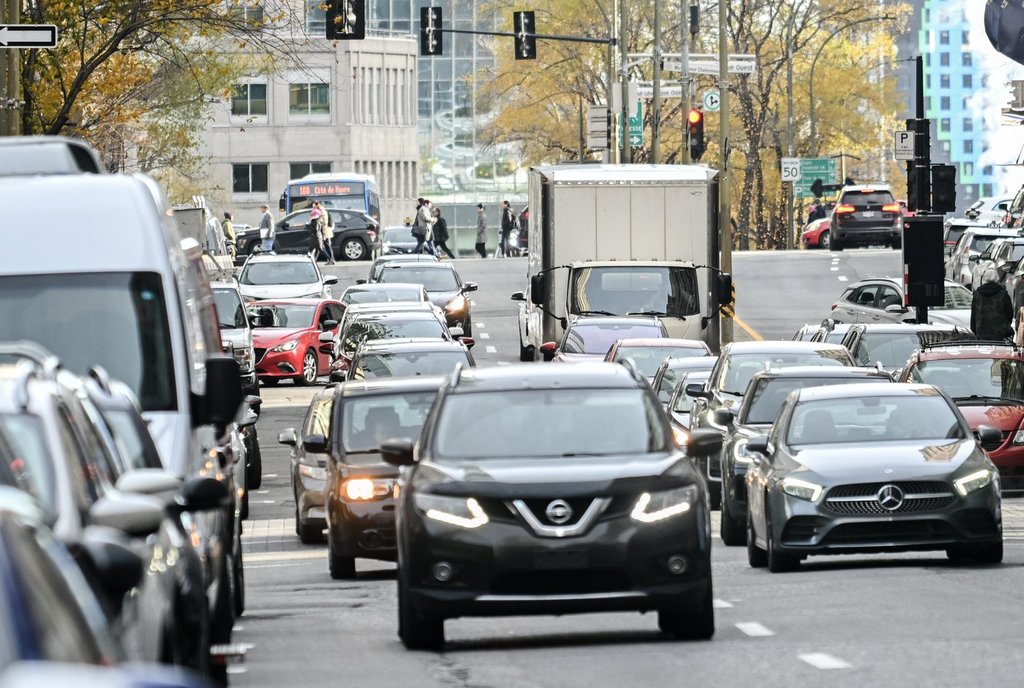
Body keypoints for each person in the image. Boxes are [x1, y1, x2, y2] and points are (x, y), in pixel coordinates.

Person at [972, 268, 1014, 341]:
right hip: (1000, 334)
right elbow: (1009, 313)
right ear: (996, 278)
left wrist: (974, 331)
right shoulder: (1003, 294)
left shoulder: (977, 294)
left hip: (981, 333)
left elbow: (973, 315)